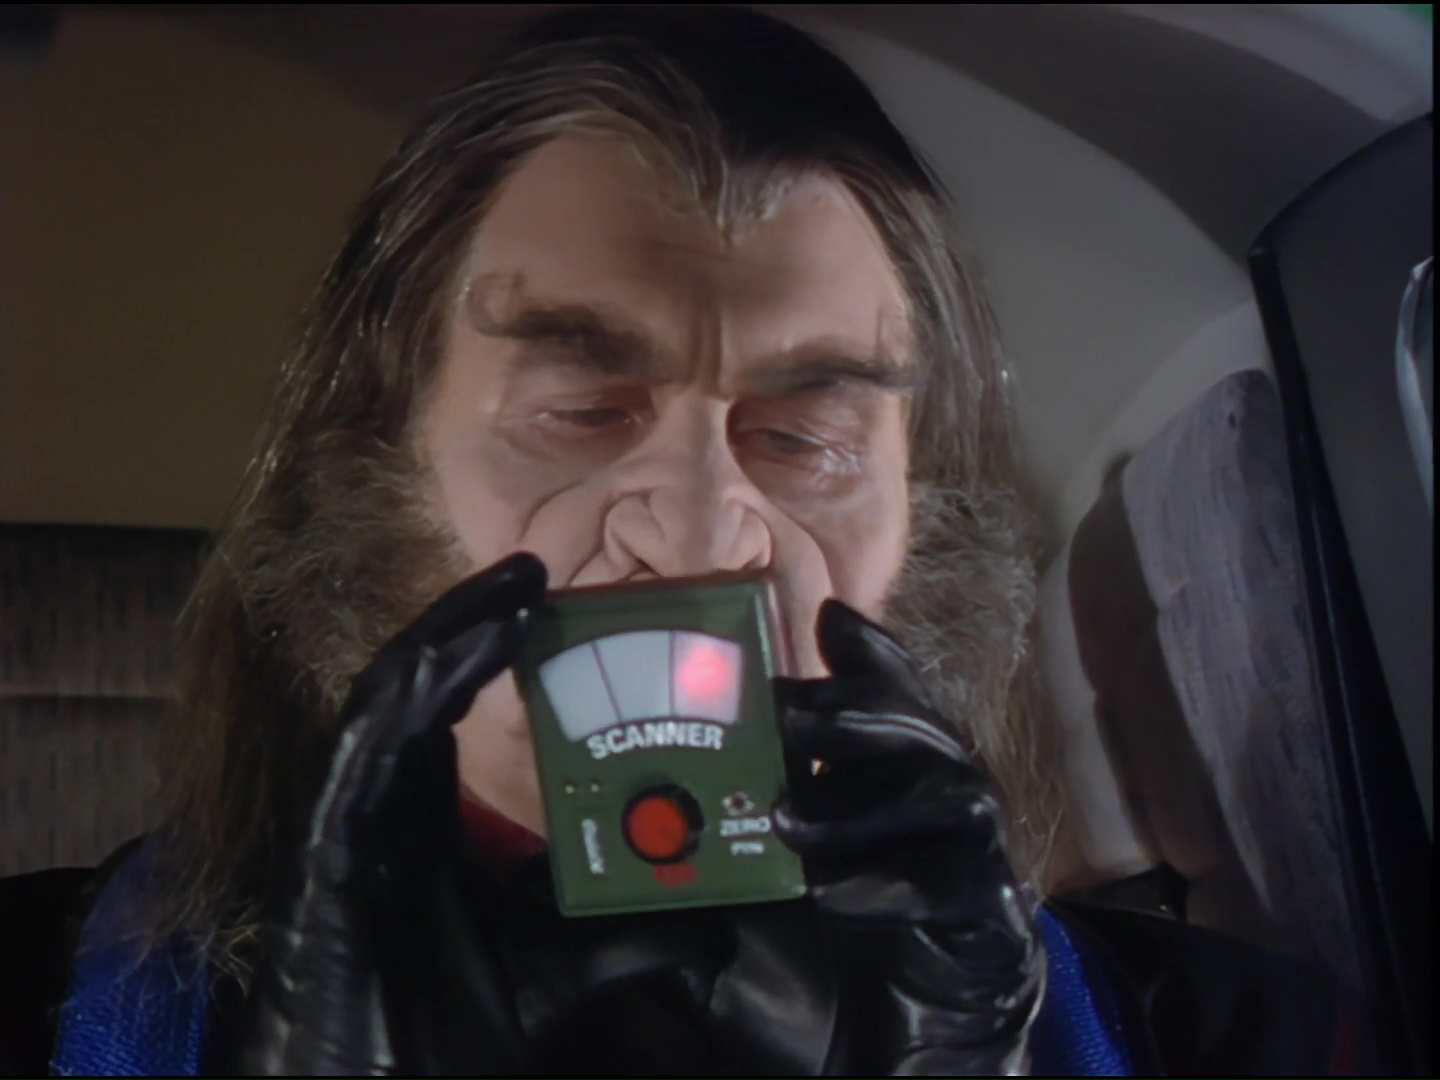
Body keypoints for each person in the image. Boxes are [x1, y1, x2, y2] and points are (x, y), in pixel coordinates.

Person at [1, 6, 1346, 1075]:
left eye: (805, 438)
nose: (699, 534)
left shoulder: (1234, 1037)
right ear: (372, 479)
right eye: (580, 412)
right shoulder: (40, 997)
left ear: (922, 532)